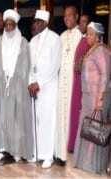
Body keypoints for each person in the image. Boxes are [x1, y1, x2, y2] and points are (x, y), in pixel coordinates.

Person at [0, 9, 34, 162]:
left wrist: (14, 77)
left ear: (16, 25)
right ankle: (3, 148)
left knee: (16, 119)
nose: (8, 28)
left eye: (11, 25)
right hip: (3, 85)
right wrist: (2, 77)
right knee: (2, 117)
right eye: (6, 25)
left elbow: (25, 64)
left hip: (17, 86)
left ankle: (16, 150)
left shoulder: (23, 42)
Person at [72, 22, 111, 175]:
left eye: (90, 34)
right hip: (88, 95)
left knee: (96, 130)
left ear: (98, 36)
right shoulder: (92, 50)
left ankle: (94, 164)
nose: (87, 37)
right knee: (87, 127)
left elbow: (105, 74)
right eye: (87, 34)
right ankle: (84, 162)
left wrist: (100, 97)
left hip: (97, 95)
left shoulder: (101, 51)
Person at [28, 10, 61, 169]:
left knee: (48, 120)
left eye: (40, 21)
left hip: (48, 87)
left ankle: (48, 155)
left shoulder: (55, 39)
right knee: (36, 120)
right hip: (34, 88)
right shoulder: (32, 41)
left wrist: (38, 83)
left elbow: (54, 66)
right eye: (36, 21)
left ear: (46, 22)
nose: (37, 24)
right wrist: (30, 83)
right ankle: (36, 152)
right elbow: (29, 66)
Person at [55, 6, 82, 166]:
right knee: (61, 114)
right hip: (61, 83)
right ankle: (61, 147)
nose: (67, 18)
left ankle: (71, 146)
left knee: (72, 114)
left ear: (76, 16)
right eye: (65, 16)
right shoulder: (61, 36)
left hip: (73, 83)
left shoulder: (82, 37)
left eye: (70, 15)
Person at [68, 14, 90, 153]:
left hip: (85, 81)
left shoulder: (89, 40)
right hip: (76, 80)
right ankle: (73, 144)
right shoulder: (79, 39)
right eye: (81, 22)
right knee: (75, 112)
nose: (82, 24)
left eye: (85, 22)